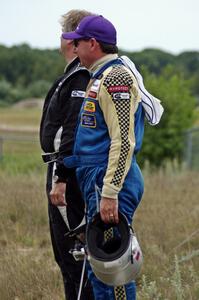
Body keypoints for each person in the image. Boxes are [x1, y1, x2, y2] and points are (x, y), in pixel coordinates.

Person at [62, 14, 161, 300]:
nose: (74, 49)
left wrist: (109, 192)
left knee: (112, 268)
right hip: (98, 178)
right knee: (100, 266)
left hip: (110, 181)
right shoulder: (101, 75)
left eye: (77, 43)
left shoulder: (115, 76)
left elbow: (123, 141)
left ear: (92, 43)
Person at [39, 10, 94, 300]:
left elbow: (72, 131)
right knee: (65, 255)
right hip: (60, 169)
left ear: (73, 42)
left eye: (64, 34)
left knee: (74, 255)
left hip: (66, 173)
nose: (60, 40)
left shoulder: (79, 76)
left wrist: (61, 176)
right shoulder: (72, 74)